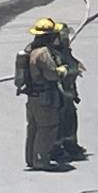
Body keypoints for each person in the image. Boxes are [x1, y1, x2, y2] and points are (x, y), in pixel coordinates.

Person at [24, 18, 68, 171]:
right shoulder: (43, 53)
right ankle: (41, 160)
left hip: (32, 98)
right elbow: (51, 75)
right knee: (47, 128)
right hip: (45, 98)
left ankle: (31, 159)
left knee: (33, 128)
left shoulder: (30, 50)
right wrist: (61, 71)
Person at [51, 23, 88, 162]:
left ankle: (71, 145)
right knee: (59, 122)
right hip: (58, 95)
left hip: (68, 93)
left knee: (71, 120)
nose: (66, 39)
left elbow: (72, 69)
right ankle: (56, 148)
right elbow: (55, 72)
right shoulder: (53, 53)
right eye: (63, 36)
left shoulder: (66, 51)